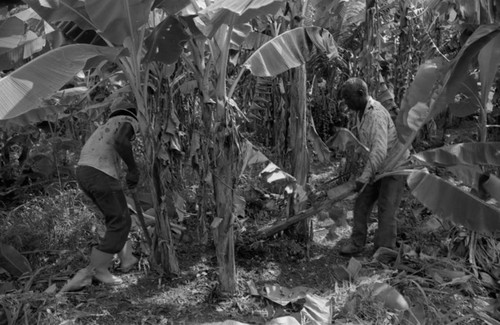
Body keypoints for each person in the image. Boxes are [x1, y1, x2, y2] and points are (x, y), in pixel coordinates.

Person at [60, 100, 140, 292]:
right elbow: (121, 141)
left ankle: (126, 259)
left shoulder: (106, 125)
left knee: (116, 218)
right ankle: (97, 270)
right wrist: (133, 169)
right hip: (100, 173)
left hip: (85, 172)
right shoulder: (128, 119)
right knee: (120, 221)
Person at [338, 78, 409, 256]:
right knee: (362, 203)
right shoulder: (360, 111)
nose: (346, 103)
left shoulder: (375, 114)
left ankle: (384, 252)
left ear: (361, 94)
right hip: (377, 167)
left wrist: (364, 177)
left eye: (348, 98)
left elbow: (379, 150)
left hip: (394, 166)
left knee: (386, 209)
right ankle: (357, 243)